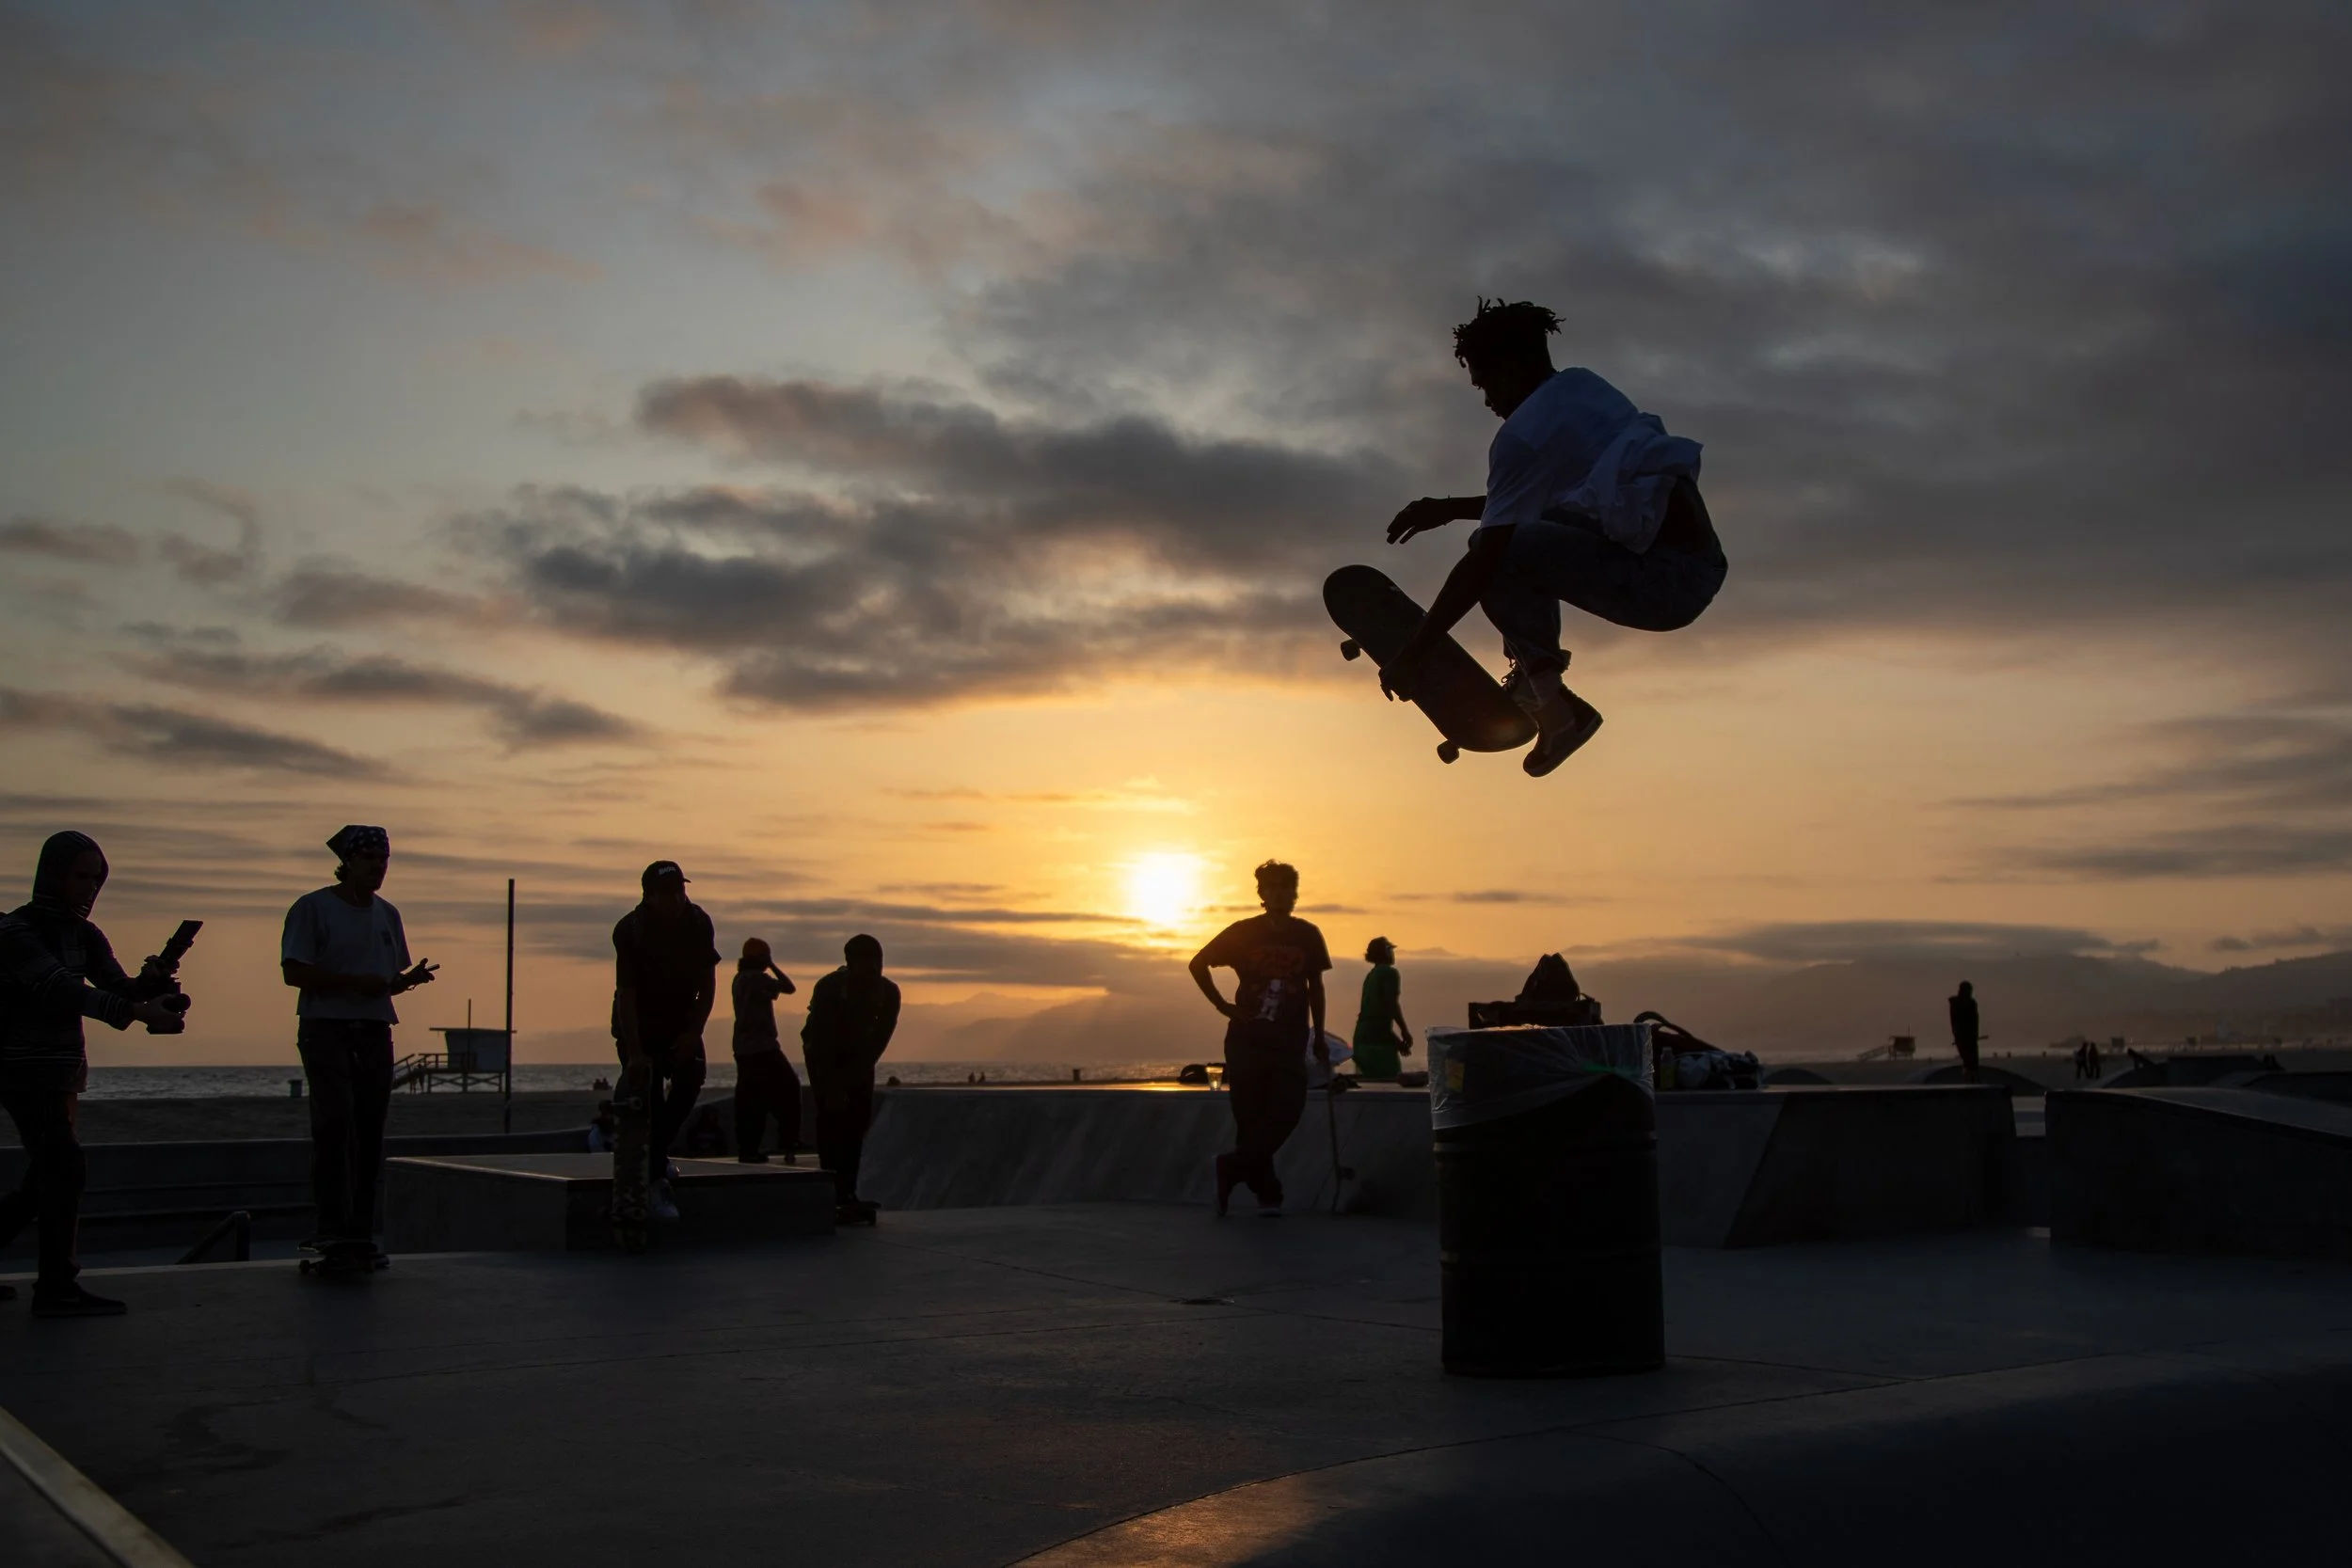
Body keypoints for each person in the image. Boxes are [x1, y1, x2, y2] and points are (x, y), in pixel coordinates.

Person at [1383, 298, 1727, 775]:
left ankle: (1550, 701)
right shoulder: (1584, 387)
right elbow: (1569, 500)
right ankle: (1542, 684)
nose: (1488, 402)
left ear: (1514, 365)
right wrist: (1451, 509)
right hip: (1703, 562)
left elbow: (1489, 558)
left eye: (1486, 383)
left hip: (1663, 586)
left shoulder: (1520, 438)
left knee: (1491, 551)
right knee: (1505, 538)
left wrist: (1413, 653)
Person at [0, 832, 188, 1315]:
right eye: (80, 876)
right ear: (53, 874)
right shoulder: (14, 931)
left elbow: (116, 987)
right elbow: (57, 987)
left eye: (96, 879)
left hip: (63, 1071)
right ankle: (57, 1288)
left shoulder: (87, 935)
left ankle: (57, 1285)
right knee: (63, 1167)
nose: (89, 888)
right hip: (20, 1069)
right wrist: (141, 1013)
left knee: (47, 1174)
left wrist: (149, 984)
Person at [280, 825, 437, 1262]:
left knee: (369, 1130)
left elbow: (382, 982)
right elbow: (294, 972)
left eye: (383, 861)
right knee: (334, 1125)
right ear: (348, 862)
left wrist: (404, 982)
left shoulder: (387, 914)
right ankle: (331, 1227)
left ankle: (360, 1230)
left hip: (374, 1030)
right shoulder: (312, 908)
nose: (377, 868)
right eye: (369, 860)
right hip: (326, 1028)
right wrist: (356, 984)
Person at [1187, 861, 1330, 1217]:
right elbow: (1198, 963)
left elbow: (1316, 988)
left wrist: (1320, 1035)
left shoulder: (1308, 934)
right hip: (1247, 1039)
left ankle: (1231, 1168)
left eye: (1287, 887)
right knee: (1250, 1118)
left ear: (1295, 893)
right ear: (1262, 894)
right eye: (1273, 887)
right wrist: (1223, 1005)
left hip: (1290, 1039)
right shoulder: (1243, 932)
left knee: (1288, 1109)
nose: (1281, 893)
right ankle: (1268, 1193)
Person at [612, 860, 718, 1224]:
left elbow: (708, 984)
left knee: (691, 1082)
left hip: (681, 1020)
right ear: (650, 896)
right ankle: (656, 1182)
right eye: (668, 894)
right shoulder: (632, 930)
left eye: (681, 891)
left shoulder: (698, 922)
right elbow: (626, 994)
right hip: (640, 1022)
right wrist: (636, 1052)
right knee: (651, 1094)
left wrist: (695, 1031)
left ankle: (656, 1152)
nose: (677, 900)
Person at [801, 934, 899, 1219]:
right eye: (866, 961)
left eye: (877, 961)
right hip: (822, 1054)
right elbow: (821, 1038)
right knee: (832, 1118)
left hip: (859, 1059)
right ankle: (830, 1188)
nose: (872, 968)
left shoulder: (889, 992)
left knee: (857, 1121)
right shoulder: (830, 987)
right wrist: (833, 1085)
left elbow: (880, 1038)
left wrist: (856, 1076)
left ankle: (848, 1190)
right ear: (850, 962)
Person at [729, 938, 801, 1164]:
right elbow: (789, 987)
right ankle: (787, 1140)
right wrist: (773, 966)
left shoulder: (739, 979)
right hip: (762, 1048)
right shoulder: (758, 979)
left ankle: (748, 1149)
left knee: (752, 1100)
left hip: (743, 1048)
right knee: (789, 1088)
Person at [1349, 937, 1413, 1083]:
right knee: (1391, 1082)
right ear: (1385, 952)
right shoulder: (1389, 973)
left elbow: (1376, 1018)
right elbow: (1391, 1004)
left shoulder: (1371, 975)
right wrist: (1404, 1030)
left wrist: (1396, 1042)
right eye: (1390, 950)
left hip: (1363, 1039)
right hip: (1377, 1042)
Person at [1949, 980, 1981, 1084]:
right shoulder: (1959, 1005)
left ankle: (1970, 1081)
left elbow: (1975, 1022)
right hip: (1965, 1039)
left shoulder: (1969, 1004)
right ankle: (1969, 1082)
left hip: (1968, 1038)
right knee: (1970, 1063)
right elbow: (1956, 1023)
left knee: (1971, 1064)